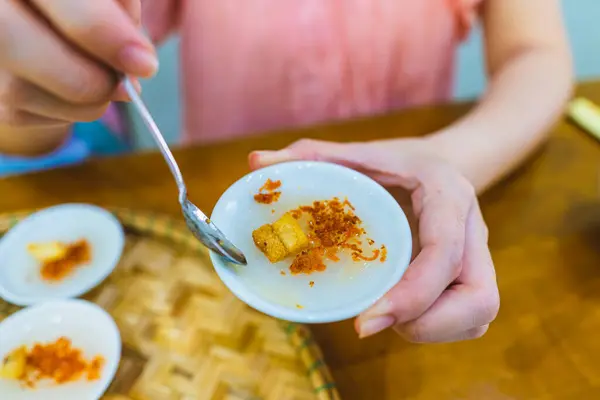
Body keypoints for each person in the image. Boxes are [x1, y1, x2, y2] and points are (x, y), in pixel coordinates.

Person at [0, 0, 572, 342]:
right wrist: (39, 79)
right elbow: (51, 108)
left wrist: (454, 157)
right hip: (219, 204)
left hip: (417, 216)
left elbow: (537, 55)